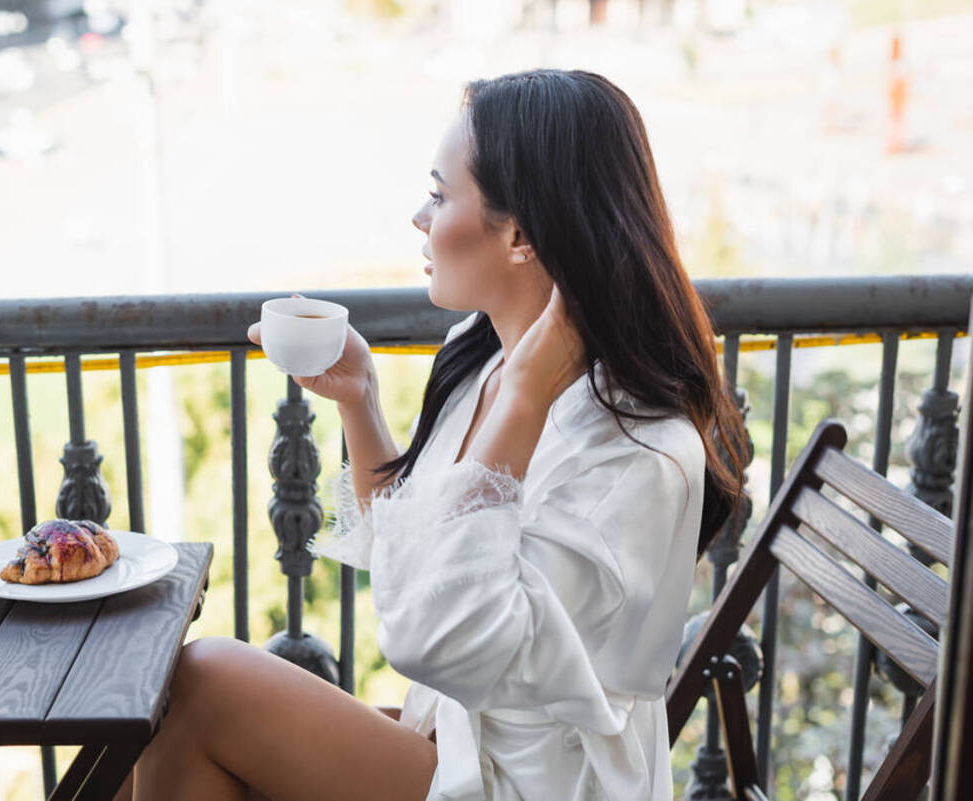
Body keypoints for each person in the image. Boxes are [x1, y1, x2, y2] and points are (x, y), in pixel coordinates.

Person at [112, 68, 746, 801]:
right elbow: (415, 558)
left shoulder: (635, 450)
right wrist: (360, 402)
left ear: (519, 233)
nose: (420, 216)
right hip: (452, 743)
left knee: (203, 685)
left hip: (538, 783)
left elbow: (434, 635)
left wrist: (522, 405)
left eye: (442, 195)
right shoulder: (482, 357)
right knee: (150, 733)